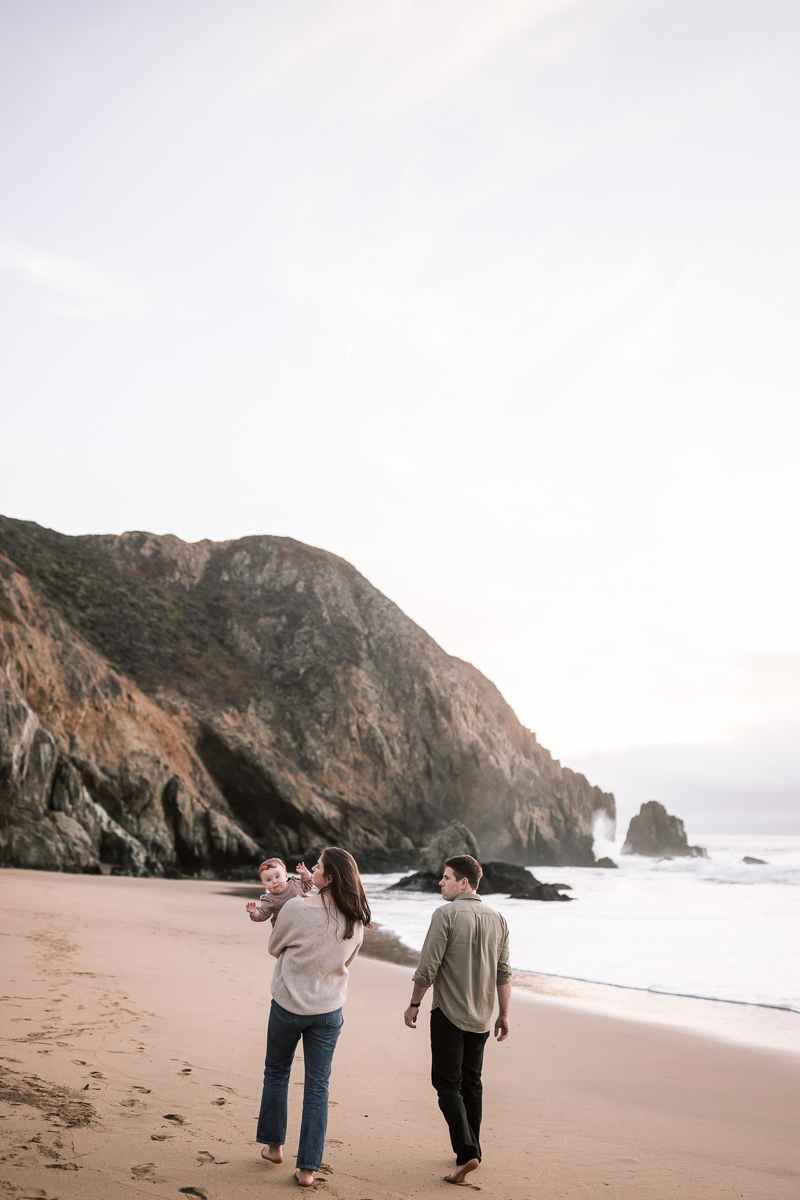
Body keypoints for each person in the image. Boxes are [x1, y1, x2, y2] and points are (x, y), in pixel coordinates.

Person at [256, 847, 371, 1188]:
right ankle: (307, 1169)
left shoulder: (294, 907)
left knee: (277, 1072)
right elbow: (345, 963)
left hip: (289, 1004)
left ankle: (275, 1147)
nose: (312, 870)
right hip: (328, 1010)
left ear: (329, 877)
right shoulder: (356, 918)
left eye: (318, 866)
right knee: (317, 1087)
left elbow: (275, 946)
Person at [404, 854, 511, 1186]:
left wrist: (414, 1004)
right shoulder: (499, 919)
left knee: (447, 1085)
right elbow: (504, 973)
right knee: (472, 1084)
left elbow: (428, 967)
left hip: (449, 1014)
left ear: (464, 882)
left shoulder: (445, 914)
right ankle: (473, 1148)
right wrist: (504, 1014)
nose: (441, 882)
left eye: (446, 877)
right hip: (482, 1016)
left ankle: (466, 1154)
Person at [246, 857, 313, 926]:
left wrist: (306, 874)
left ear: (286, 876)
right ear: (264, 885)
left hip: (306, 920)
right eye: (269, 880)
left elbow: (307, 885)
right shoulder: (269, 900)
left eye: (277, 876)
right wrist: (255, 912)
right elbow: (263, 914)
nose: (274, 881)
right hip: (286, 929)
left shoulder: (294, 884)